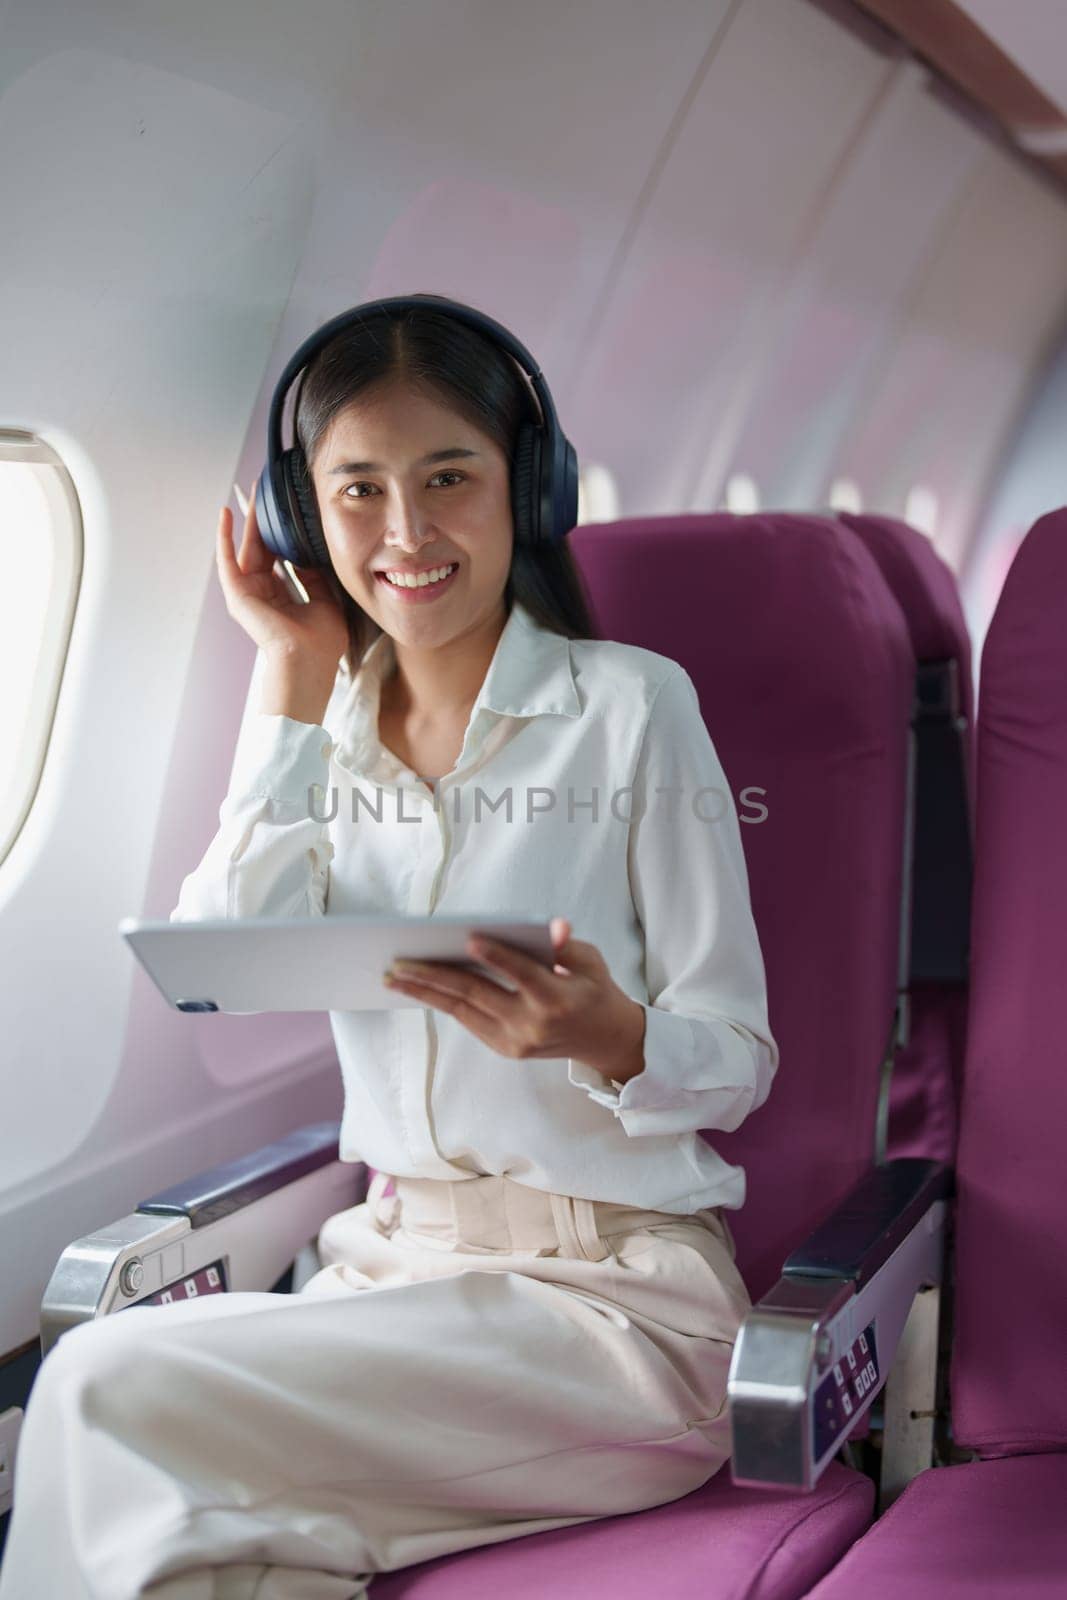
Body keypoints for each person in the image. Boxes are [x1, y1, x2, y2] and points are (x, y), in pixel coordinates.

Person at [0, 297, 779, 1600]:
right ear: (305, 513)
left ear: (526, 489)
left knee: (97, 1383)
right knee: (216, 1562)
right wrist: (291, 681)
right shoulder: (328, 728)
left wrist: (607, 1036)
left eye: (448, 479)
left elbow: (737, 1059)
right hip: (384, 1282)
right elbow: (214, 963)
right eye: (357, 490)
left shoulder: (632, 707)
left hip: (607, 1311)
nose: (406, 534)